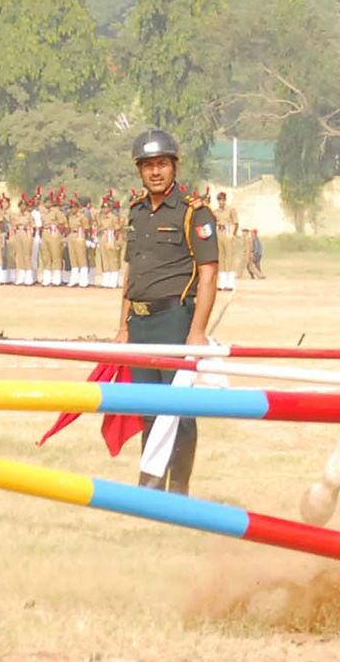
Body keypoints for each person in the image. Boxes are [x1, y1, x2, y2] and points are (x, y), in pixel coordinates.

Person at [115, 128, 218, 494]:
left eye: (162, 164)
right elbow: (133, 272)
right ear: (139, 171)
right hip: (140, 326)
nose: (155, 172)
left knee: (179, 411)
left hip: (175, 322)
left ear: (174, 166)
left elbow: (208, 274)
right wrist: (122, 326)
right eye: (148, 166)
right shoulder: (137, 212)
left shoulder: (195, 212)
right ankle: (150, 487)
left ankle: (179, 490)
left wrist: (197, 331)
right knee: (147, 410)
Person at [214, 191, 239, 291]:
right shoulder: (215, 211)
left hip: (228, 231)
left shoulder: (231, 210)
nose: (221, 202)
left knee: (230, 257)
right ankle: (223, 282)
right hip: (219, 231)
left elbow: (236, 222)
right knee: (221, 257)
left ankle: (231, 282)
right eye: (220, 200)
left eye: (223, 200)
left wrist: (233, 233)